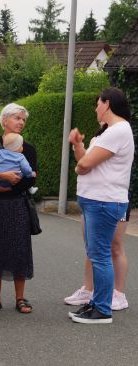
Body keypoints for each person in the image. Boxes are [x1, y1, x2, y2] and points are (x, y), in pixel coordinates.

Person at [67, 87, 134, 324]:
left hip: (104, 201)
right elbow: (85, 160)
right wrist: (78, 146)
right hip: (97, 200)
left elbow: (85, 165)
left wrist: (81, 165)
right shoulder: (110, 131)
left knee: (101, 255)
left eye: (98, 104)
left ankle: (102, 309)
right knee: (97, 254)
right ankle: (96, 303)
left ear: (107, 104)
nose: (96, 108)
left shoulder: (118, 130)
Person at [0, 103, 37, 314]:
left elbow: (31, 177)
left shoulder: (28, 148)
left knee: (20, 249)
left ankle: (21, 298)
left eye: (23, 119)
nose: (21, 122)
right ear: (4, 121)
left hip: (18, 203)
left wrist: (10, 187)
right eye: (17, 118)